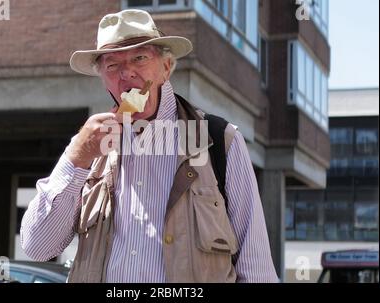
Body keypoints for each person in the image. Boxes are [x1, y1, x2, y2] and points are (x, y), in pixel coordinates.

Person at [20, 9, 278, 283]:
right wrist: (74, 159)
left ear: (166, 68)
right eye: (112, 65)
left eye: (140, 58)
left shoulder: (220, 140)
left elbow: (256, 272)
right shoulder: (89, 149)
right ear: (104, 79)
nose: (127, 72)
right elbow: (38, 247)